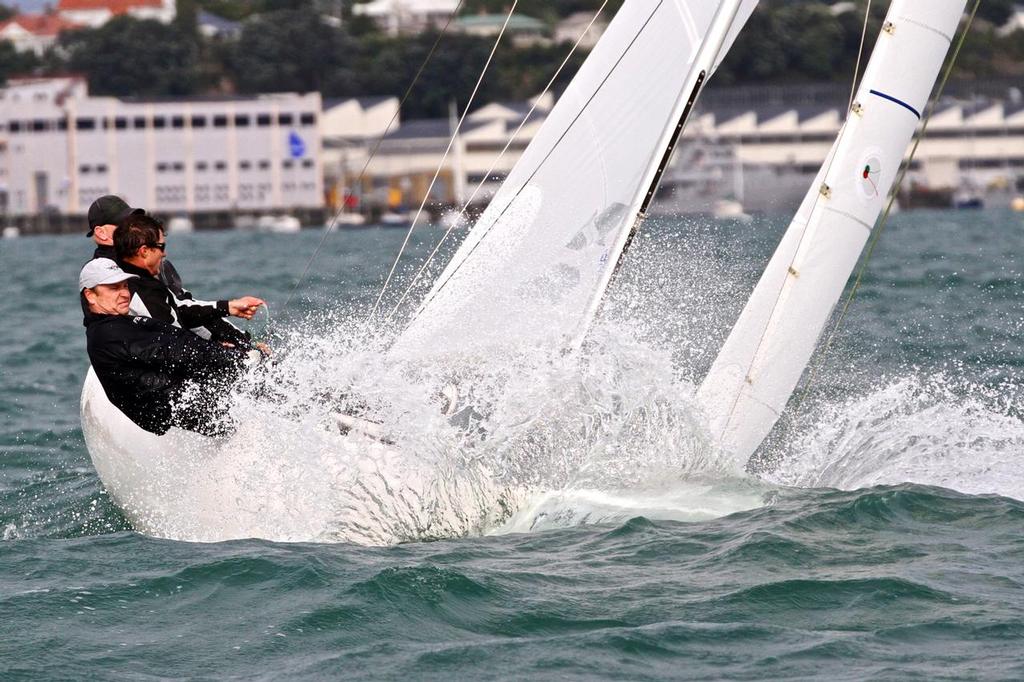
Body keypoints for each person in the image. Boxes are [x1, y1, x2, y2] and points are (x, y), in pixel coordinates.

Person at [80, 258, 248, 436]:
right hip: (182, 401)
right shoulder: (109, 334)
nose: (124, 293)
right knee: (256, 399)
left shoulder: (119, 323)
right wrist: (236, 358)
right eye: (114, 288)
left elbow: (175, 337)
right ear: (90, 295)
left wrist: (225, 349)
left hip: (188, 392)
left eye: (124, 286)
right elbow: (174, 351)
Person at [86, 194, 263, 346]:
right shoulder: (110, 273)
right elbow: (168, 324)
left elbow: (183, 308)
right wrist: (223, 347)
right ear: (101, 233)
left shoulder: (144, 264)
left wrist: (240, 340)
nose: (133, 227)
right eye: (124, 224)